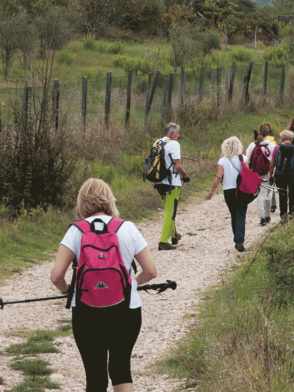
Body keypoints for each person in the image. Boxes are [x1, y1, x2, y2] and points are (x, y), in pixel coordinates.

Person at [50, 178, 157, 392]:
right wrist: (131, 283)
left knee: (95, 376)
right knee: (120, 368)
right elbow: (151, 272)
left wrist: (67, 291)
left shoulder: (76, 231)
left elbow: (56, 276)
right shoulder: (127, 228)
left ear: (81, 203)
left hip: (86, 310)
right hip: (126, 308)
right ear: (109, 200)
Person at [204, 136, 252, 252]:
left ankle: (236, 237)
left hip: (228, 191)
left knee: (233, 214)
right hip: (241, 190)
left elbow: (219, 176)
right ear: (238, 146)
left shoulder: (222, 161)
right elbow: (248, 174)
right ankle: (239, 241)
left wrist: (211, 192)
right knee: (241, 214)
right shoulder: (243, 158)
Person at [153, 122, 190, 250]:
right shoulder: (174, 144)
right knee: (170, 212)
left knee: (168, 209)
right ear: (173, 133)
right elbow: (177, 166)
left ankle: (174, 235)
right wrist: (185, 176)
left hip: (157, 181)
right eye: (178, 133)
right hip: (172, 183)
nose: (178, 135)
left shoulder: (157, 142)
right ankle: (163, 241)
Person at [244, 122, 277, 226]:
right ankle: (268, 216)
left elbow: (248, 159)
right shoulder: (271, 145)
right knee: (268, 193)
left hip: (256, 174)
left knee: (259, 195)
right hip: (268, 173)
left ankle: (262, 217)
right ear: (269, 133)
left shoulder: (253, 145)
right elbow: (274, 161)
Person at [270, 130, 294, 218]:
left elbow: (272, 163)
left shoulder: (277, 148)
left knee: (282, 195)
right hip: (293, 175)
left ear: (282, 139)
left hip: (280, 174)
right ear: (292, 139)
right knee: (293, 195)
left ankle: (283, 216)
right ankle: (292, 213)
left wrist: (270, 174)